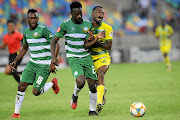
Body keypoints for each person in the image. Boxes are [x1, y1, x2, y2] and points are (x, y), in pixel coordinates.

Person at [9, 9, 60, 118]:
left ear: (38, 19)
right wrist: (14, 61)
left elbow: (56, 44)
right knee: (21, 86)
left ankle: (52, 84)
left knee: (36, 92)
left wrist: (53, 62)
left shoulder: (43, 30)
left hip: (44, 65)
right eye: (30, 18)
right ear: (27, 19)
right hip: (32, 64)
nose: (33, 20)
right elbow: (24, 49)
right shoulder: (26, 32)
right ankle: (16, 113)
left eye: (35, 18)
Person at [50, 1, 99, 116]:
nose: (79, 16)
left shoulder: (88, 24)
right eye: (76, 14)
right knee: (81, 82)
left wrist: (92, 39)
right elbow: (53, 41)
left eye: (80, 13)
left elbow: (89, 43)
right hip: (73, 57)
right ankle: (75, 95)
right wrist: (53, 58)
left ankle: (92, 110)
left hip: (86, 57)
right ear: (71, 13)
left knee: (92, 84)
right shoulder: (65, 25)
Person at [84, 6, 113, 113]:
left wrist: (96, 40)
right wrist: (94, 38)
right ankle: (102, 92)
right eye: (98, 12)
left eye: (102, 13)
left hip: (103, 56)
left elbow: (109, 46)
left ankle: (99, 102)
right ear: (93, 14)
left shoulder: (108, 27)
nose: (101, 14)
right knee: (93, 83)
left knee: (101, 74)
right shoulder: (87, 28)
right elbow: (86, 46)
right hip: (90, 58)